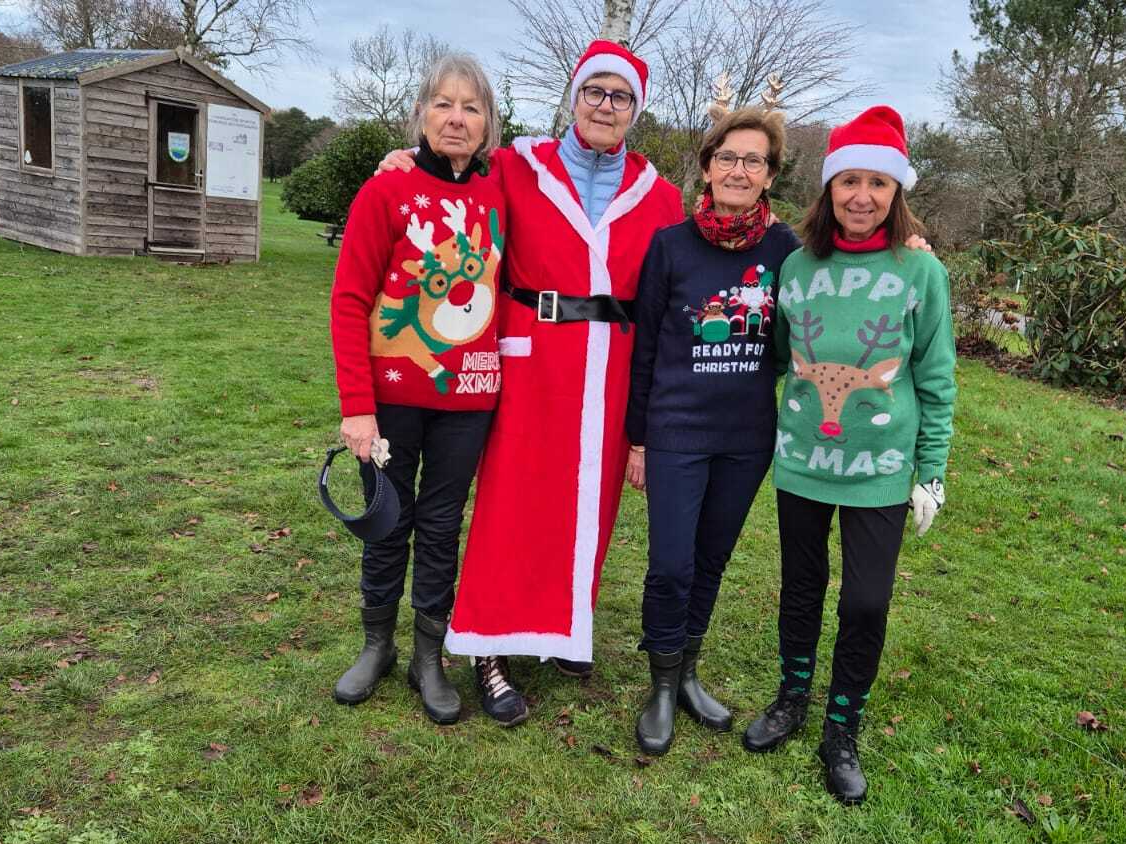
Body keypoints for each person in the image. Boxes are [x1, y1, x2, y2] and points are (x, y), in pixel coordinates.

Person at [385, 40, 684, 725]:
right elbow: (449, 186)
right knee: (512, 500)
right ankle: (487, 647)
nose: (605, 106)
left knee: (589, 505)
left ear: (635, 109)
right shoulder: (517, 167)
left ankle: (563, 629)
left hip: (609, 366)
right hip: (529, 357)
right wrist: (401, 163)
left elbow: (687, 266)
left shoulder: (661, 195)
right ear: (574, 99)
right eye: (594, 91)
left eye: (620, 96)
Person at [744, 106, 956, 806]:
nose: (861, 196)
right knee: (801, 587)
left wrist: (931, 472)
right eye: (849, 181)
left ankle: (842, 727)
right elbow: (778, 356)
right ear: (829, 187)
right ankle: (792, 697)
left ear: (896, 193)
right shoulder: (797, 267)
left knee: (866, 601)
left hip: (880, 472)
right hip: (804, 463)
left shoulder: (921, 273)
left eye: (878, 183)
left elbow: (936, 378)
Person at [327, 55, 506, 725]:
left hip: (468, 399)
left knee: (439, 526)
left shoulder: (500, 190)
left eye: (471, 107)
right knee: (388, 520)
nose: (456, 118)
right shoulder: (387, 191)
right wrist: (357, 409)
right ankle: (377, 645)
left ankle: (429, 656)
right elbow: (350, 300)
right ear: (421, 114)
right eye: (443, 104)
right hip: (393, 397)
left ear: (488, 123)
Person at [622, 101, 800, 755]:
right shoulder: (670, 245)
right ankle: (661, 686)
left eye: (753, 160)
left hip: (745, 437)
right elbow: (644, 347)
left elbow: (841, 274)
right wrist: (638, 439)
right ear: (706, 167)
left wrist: (910, 244)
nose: (738, 170)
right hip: (675, 430)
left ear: (770, 175)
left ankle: (687, 673)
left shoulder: (787, 251)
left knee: (711, 561)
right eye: (727, 157)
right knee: (671, 564)